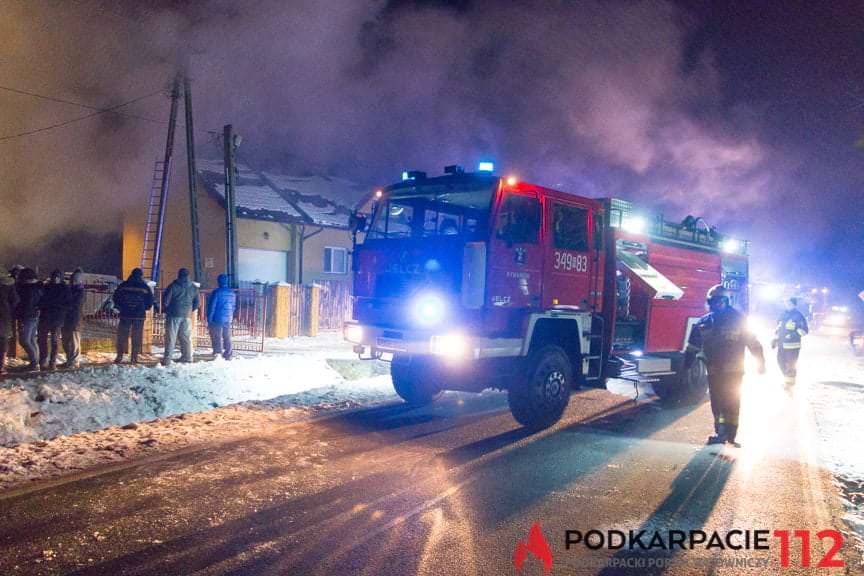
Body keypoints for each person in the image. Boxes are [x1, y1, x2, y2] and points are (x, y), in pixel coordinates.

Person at [685, 284, 766, 447]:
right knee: (717, 401)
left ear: (727, 301)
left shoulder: (739, 319)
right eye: (714, 301)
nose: (717, 304)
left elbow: (753, 342)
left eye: (720, 300)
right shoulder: (704, 322)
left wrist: (760, 362)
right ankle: (721, 432)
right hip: (714, 370)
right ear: (710, 302)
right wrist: (687, 364)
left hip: (734, 371)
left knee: (732, 401)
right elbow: (693, 346)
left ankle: (730, 434)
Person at [112, 268, 154, 364]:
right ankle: (134, 357)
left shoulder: (124, 285)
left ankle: (119, 356)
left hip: (125, 314)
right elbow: (150, 301)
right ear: (141, 275)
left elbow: (116, 297)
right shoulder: (144, 287)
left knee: (122, 335)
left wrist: (120, 307)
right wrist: (144, 308)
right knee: (137, 336)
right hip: (138, 315)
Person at [162, 268, 200, 366]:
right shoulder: (194, 287)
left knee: (171, 337)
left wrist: (167, 309)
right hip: (187, 316)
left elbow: (166, 301)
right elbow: (197, 303)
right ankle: (187, 357)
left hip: (173, 314)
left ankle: (167, 359)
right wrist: (189, 310)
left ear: (178, 275)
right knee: (186, 337)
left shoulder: (173, 286)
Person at [772, 297, 809, 389]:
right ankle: (787, 379)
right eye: (786, 303)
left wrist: (793, 335)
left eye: (789, 303)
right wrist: (775, 339)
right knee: (780, 362)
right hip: (781, 345)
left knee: (791, 365)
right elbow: (778, 329)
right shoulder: (783, 315)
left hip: (793, 346)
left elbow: (804, 331)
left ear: (794, 304)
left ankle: (789, 384)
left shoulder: (798, 316)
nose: (787, 304)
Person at [37, 269, 68, 370]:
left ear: (60, 278)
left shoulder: (64, 288)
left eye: (57, 277)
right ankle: (43, 361)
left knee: (54, 340)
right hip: (45, 317)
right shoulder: (46, 287)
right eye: (54, 276)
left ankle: (52, 362)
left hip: (56, 318)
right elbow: (40, 300)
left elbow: (68, 303)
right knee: (42, 340)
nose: (55, 279)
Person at [14, 268, 43, 371]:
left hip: (26, 317)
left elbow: (23, 304)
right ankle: (36, 362)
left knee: (24, 340)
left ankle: (34, 363)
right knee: (31, 339)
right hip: (34, 315)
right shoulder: (37, 287)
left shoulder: (26, 289)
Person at [206, 273, 236, 360]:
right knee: (227, 335)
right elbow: (234, 306)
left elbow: (212, 307)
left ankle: (218, 352)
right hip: (228, 317)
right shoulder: (232, 293)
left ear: (219, 281)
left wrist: (209, 318)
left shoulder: (216, 292)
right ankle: (228, 353)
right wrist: (230, 315)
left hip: (217, 317)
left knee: (217, 336)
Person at [62, 268, 86, 369]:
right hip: (67, 318)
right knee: (66, 341)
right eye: (73, 279)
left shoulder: (80, 291)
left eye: (75, 279)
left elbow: (74, 304)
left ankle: (75, 361)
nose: (73, 281)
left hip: (75, 319)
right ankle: (69, 359)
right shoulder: (71, 290)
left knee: (74, 341)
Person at [0, 269, 20, 376]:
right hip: (5, 316)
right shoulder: (9, 286)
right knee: (3, 342)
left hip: (4, 315)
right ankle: (1, 367)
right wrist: (8, 308)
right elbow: (16, 300)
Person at [6, 265, 24, 359]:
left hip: (16, 311)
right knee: (11, 332)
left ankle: (13, 353)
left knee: (14, 332)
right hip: (13, 311)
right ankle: (12, 353)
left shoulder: (17, 283)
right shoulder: (14, 284)